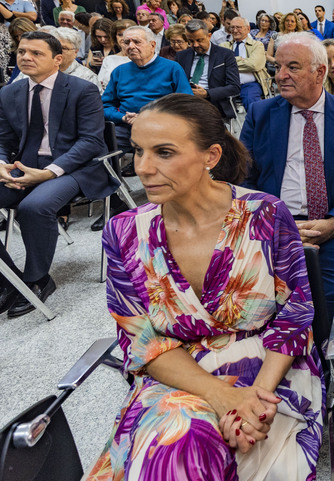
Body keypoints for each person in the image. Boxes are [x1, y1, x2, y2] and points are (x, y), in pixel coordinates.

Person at [79, 94, 323, 481]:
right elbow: (142, 341)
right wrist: (224, 398)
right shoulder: (123, 233)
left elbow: (294, 317)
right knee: (177, 446)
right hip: (179, 374)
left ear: (210, 156)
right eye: (138, 151)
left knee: (256, 459)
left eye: (164, 152)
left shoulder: (265, 214)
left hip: (269, 370)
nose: (143, 168)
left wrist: (254, 403)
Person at [240, 32, 334, 316]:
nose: (280, 75)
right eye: (277, 67)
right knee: (252, 295)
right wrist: (275, 223)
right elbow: (243, 178)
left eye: (292, 67)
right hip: (274, 226)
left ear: (320, 72)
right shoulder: (260, 114)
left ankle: (325, 356)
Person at [0, 31, 115, 318]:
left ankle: (37, 278)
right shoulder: (9, 92)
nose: (26, 57)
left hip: (74, 167)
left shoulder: (81, 89)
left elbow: (91, 141)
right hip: (24, 165)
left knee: (34, 206)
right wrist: (1, 162)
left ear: (57, 59)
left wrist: (49, 173)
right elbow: (3, 139)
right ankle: (8, 281)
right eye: (22, 52)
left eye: (36, 53)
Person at [102, 25, 193, 147]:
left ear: (152, 45)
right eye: (127, 42)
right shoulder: (119, 71)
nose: (131, 46)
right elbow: (105, 106)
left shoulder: (172, 68)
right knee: (97, 146)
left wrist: (148, 119)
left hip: (161, 127)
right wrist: (122, 117)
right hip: (125, 127)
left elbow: (187, 104)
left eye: (137, 42)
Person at [176, 19, 241, 120]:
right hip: (186, 101)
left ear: (209, 36)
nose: (195, 45)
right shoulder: (182, 56)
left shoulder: (225, 55)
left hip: (213, 101)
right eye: (191, 41)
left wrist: (207, 93)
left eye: (199, 40)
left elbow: (234, 87)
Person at [221, 17, 270, 110]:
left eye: (239, 27)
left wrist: (230, 63)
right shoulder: (224, 46)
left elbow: (254, 65)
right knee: (214, 98)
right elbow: (219, 64)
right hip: (227, 85)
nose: (235, 30)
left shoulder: (257, 45)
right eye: (232, 27)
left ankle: (256, 124)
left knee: (251, 102)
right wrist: (241, 59)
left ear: (248, 29)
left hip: (249, 84)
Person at [95, 19, 135, 89]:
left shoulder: (141, 59)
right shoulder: (109, 59)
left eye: (127, 34)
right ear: (115, 37)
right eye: (120, 35)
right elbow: (99, 85)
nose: (124, 38)